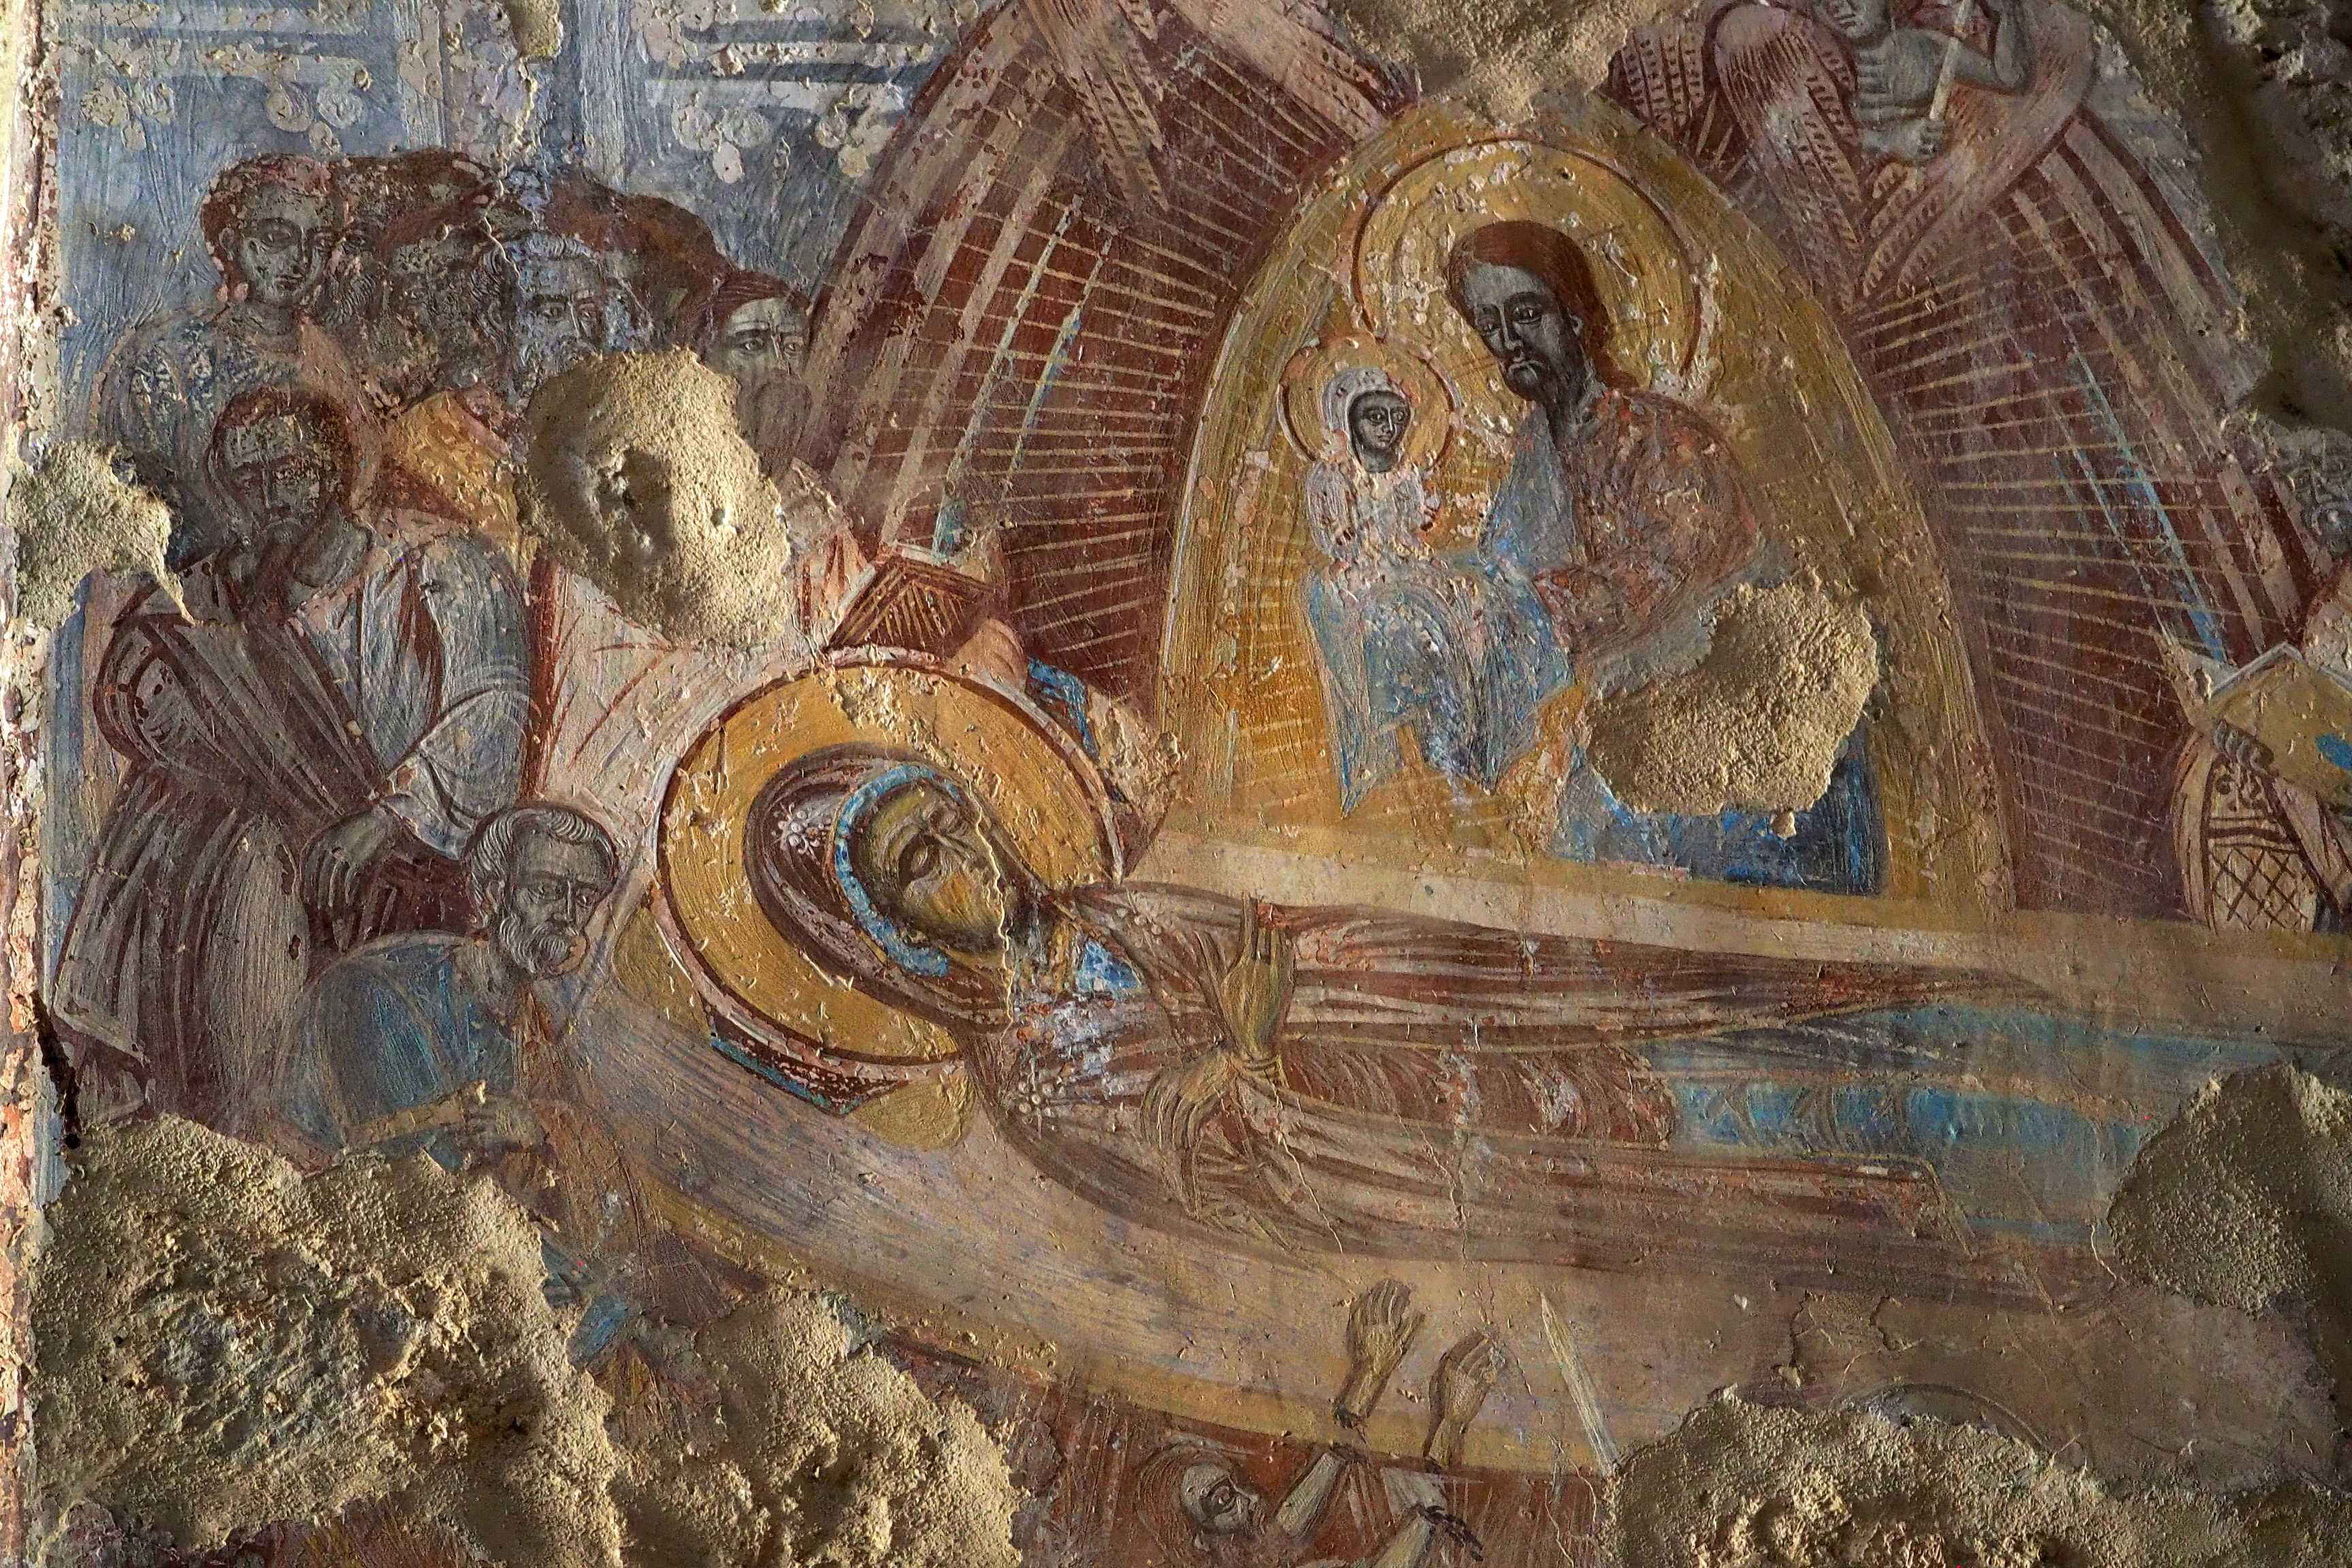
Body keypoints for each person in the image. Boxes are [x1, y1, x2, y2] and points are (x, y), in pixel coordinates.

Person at [740, 738, 2005, 1281]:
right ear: (893, 931)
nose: (967, 852)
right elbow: (1201, 1173)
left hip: (1440, 1027)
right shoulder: (1027, 1072)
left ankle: (1906, 1026)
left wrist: (1296, 981)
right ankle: (1910, 1208)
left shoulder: (1105, 910)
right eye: (920, 862)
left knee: (1700, 1028)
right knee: (1682, 1170)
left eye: (953, 816)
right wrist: (1241, 1045)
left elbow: (1277, 946)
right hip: (1400, 1137)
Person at [51, 389, 529, 1131]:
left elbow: (492, 711)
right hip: (254, 859)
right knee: (178, 808)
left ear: (336, 469)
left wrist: (382, 822)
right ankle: (182, 1097)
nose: (273, 497)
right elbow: (136, 683)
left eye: (292, 471)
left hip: (400, 869)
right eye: (250, 480)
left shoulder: (434, 566)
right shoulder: (226, 587)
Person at [1446, 221, 1882, 891]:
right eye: (1489, 323)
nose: (1508, 341)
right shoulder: (1529, 466)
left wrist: (1533, 609)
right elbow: (1499, 584)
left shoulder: (1659, 436)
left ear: (1575, 316)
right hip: (1616, 739)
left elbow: (1665, 571)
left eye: (1526, 313)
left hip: (1736, 746)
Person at [281, 803, 645, 1358]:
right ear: (496, 892)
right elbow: (413, 1181)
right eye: (548, 890)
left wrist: (537, 1130)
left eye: (584, 898)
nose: (568, 916)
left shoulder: (536, 1034)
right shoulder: (384, 992)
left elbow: (577, 1187)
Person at [1299, 359, 1565, 811]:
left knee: (1485, 597)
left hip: (1408, 567)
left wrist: (1421, 525)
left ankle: (1487, 735)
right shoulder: (1333, 479)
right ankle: (1445, 739)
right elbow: (1341, 540)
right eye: (1374, 417)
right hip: (1365, 578)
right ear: (1349, 421)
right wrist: (1359, 540)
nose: (1387, 428)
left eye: (1396, 417)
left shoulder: (1407, 474)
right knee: (1427, 624)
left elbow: (1414, 531)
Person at [92, 154, 376, 564]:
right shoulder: (167, 359)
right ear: (231, 243)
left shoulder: (330, 361)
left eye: (317, 244)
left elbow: (356, 485)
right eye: (276, 238)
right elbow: (132, 507)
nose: (300, 261)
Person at [1165, 1282, 1492, 1568]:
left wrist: (1370, 1376)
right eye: (1224, 1499)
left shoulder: (1263, 1544)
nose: (1250, 1496)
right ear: (1202, 1539)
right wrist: (1449, 1426)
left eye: (1236, 1484)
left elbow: (1290, 1522)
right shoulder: (1251, 1552)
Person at [695, 270, 813, 479]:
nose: (779, 364)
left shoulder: (812, 494)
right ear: (708, 354)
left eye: (792, 347)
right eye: (751, 345)